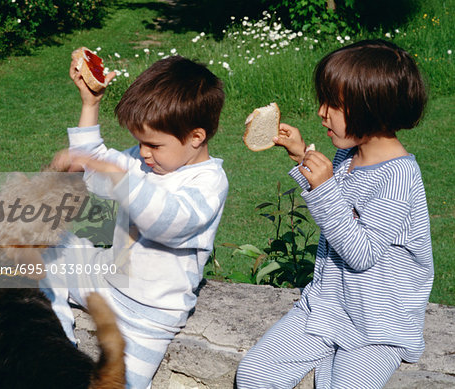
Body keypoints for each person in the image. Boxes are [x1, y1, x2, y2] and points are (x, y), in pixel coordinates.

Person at [236, 39, 433, 388]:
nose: (321, 112)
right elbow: (337, 211)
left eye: (333, 105)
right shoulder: (350, 156)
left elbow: (361, 253)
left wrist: (324, 187)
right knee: (253, 375)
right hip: (326, 308)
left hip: (378, 325)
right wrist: (302, 157)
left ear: (372, 109)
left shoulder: (399, 177)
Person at [41, 53, 228, 388]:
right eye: (140, 142)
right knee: (38, 248)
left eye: (153, 144)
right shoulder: (150, 160)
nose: (142, 153)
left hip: (147, 316)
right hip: (104, 279)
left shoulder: (207, 183)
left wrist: (117, 175)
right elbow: (99, 164)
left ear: (196, 137)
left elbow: (165, 222)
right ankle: (57, 343)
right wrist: (90, 105)